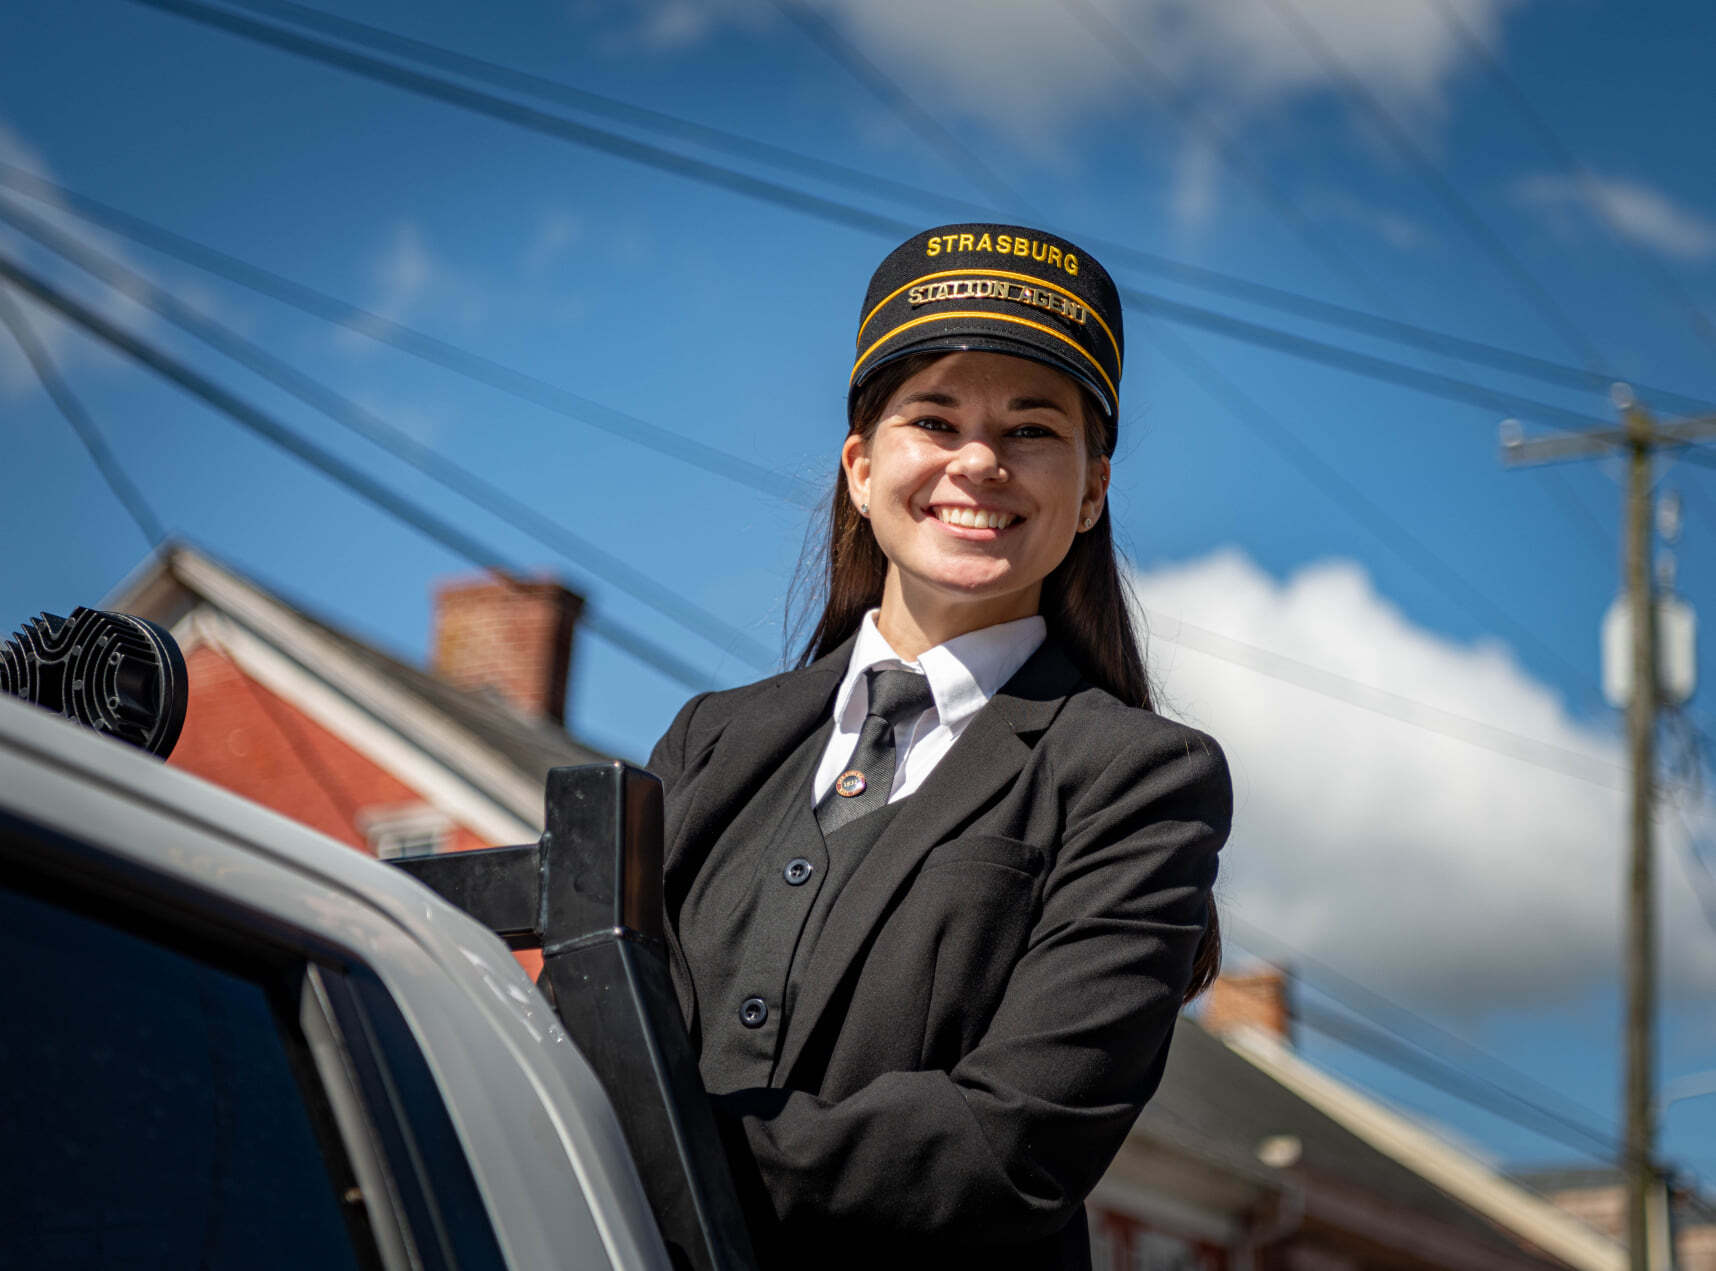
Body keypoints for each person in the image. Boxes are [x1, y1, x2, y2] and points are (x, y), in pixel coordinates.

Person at [647, 223, 1231, 1271]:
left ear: (1091, 489)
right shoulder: (709, 741)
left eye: (1032, 429)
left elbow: (1013, 1142)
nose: (980, 462)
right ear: (863, 470)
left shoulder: (1141, 780)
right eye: (935, 417)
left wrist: (661, 1149)